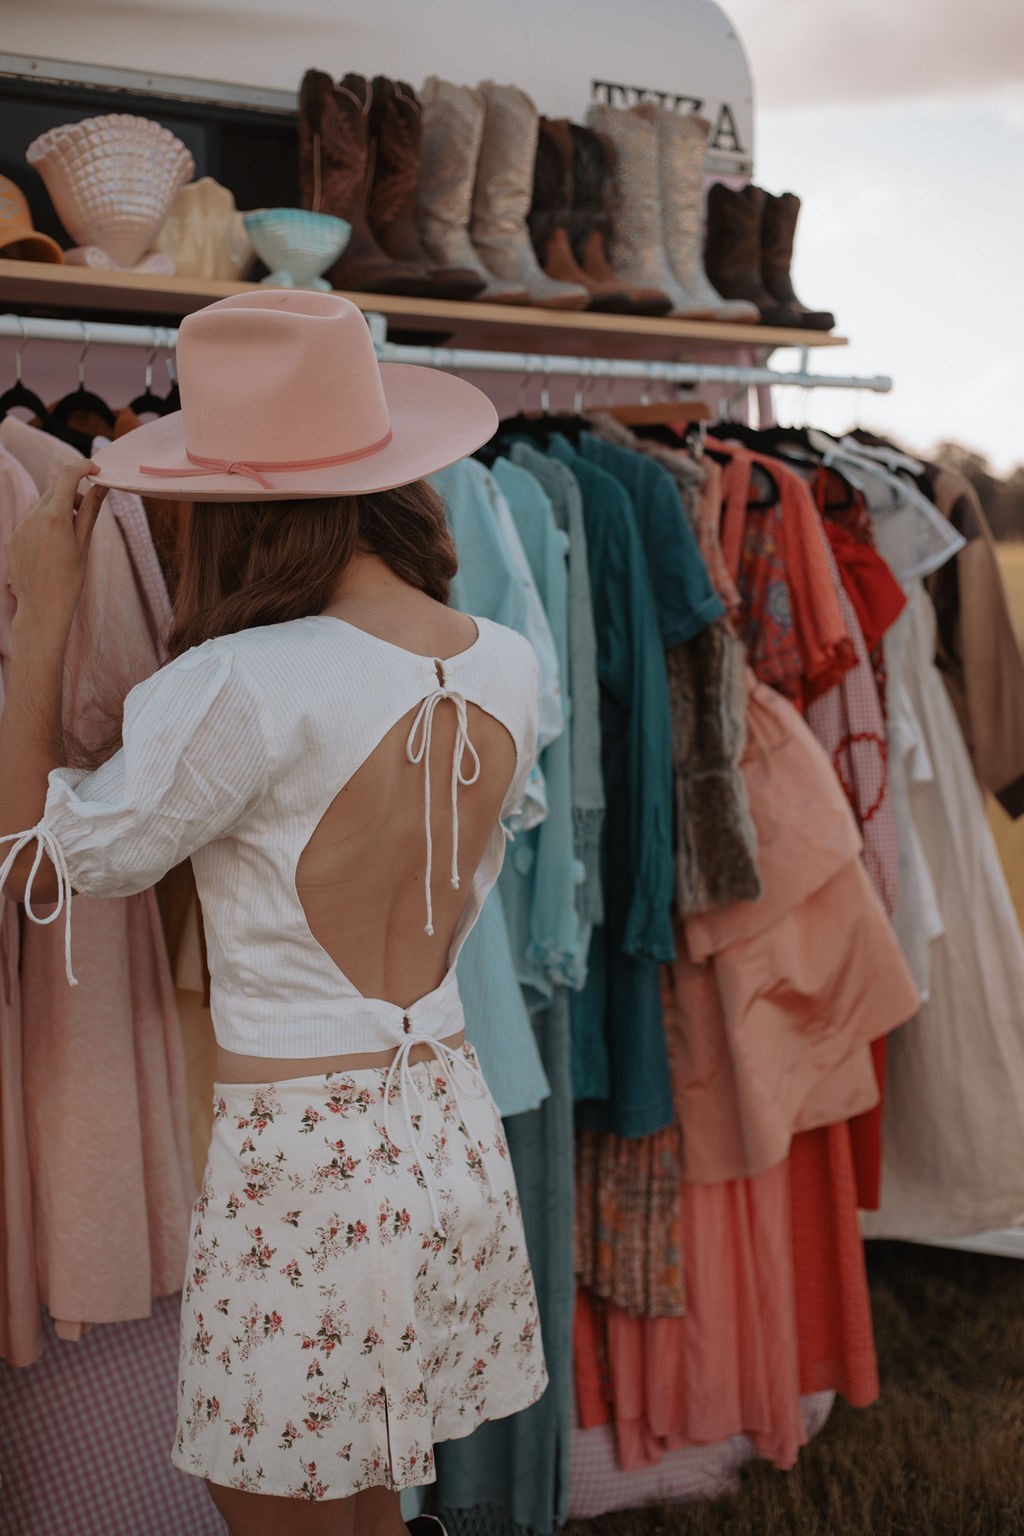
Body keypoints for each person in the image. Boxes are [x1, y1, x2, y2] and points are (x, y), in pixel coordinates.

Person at [0, 291, 547, 1536]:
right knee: (367, 1501)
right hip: (444, 1133)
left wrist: (42, 621)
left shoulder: (239, 683)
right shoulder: (508, 656)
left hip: (306, 1165)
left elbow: (32, 858)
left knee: (283, 1508)